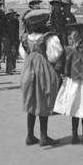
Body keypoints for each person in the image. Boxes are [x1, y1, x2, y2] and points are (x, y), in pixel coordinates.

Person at [20, 9, 63, 147]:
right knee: (43, 100)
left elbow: (23, 54)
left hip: (28, 69)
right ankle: (44, 136)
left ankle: (30, 135)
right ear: (43, 22)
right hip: (43, 68)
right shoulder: (49, 37)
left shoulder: (26, 38)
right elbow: (55, 55)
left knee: (31, 101)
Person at [5, 9, 20, 74]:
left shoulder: (15, 21)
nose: (12, 16)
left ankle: (12, 67)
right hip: (7, 39)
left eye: (12, 14)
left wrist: (16, 39)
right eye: (10, 14)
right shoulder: (5, 22)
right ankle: (9, 69)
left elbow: (17, 31)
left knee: (14, 54)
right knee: (9, 54)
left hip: (14, 39)